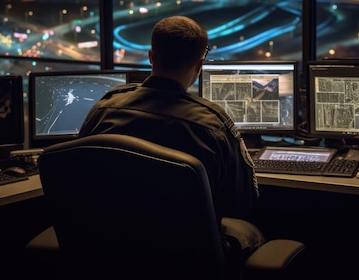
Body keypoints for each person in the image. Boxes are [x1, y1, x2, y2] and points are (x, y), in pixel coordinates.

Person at [78, 15, 264, 265]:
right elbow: (242, 202)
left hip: (108, 251)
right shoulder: (213, 125)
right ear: (199, 66)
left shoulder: (104, 109)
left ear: (151, 56)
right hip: (186, 259)